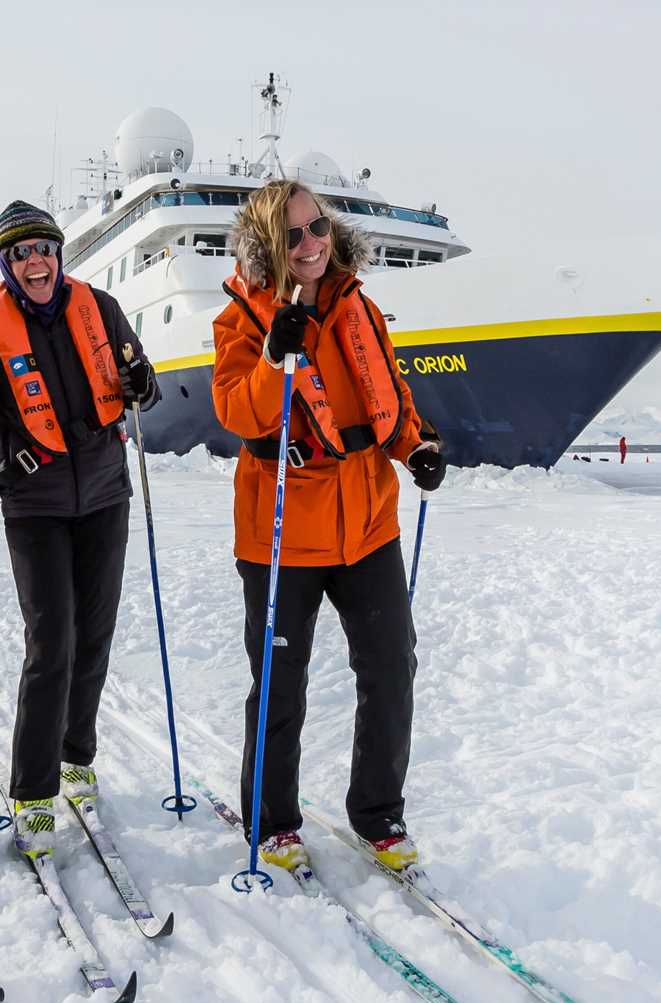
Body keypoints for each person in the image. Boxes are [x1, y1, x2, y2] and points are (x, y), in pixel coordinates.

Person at [211, 180, 444, 874]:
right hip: (282, 530)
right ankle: (273, 821)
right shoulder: (242, 321)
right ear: (267, 247)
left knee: (390, 667)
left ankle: (379, 813)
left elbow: (388, 396)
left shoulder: (357, 304)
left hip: (367, 521)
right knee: (282, 683)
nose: (311, 245)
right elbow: (238, 414)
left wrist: (417, 445)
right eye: (293, 236)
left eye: (317, 229)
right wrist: (273, 358)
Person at [0, 201, 160, 860]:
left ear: (57, 253)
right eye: (20, 254)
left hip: (104, 495)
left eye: (43, 249)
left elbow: (141, 389)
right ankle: (33, 793)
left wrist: (141, 382)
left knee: (93, 637)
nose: (35, 262)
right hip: (34, 502)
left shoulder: (99, 306)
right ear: (6, 266)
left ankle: (76, 761)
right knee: (52, 645)